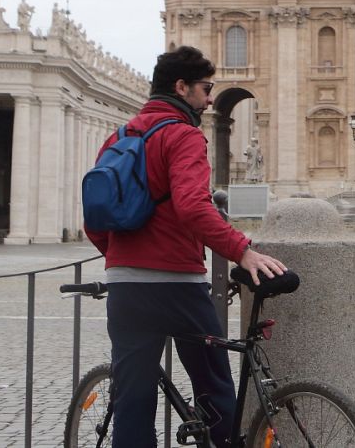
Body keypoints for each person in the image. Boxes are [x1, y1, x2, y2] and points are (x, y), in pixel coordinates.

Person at [84, 46, 287, 448]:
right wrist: (243, 250)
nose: (211, 98)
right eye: (206, 88)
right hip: (177, 283)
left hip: (126, 286)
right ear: (182, 87)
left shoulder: (119, 136)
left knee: (133, 396)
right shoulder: (183, 135)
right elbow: (194, 207)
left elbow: (94, 214)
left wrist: (121, 260)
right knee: (213, 384)